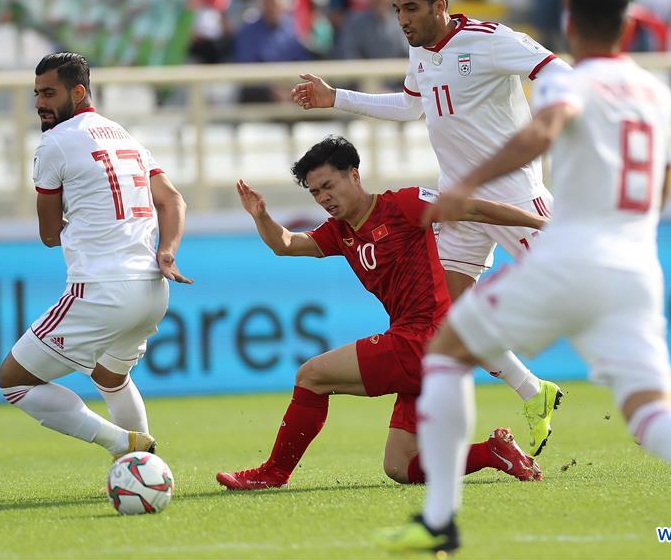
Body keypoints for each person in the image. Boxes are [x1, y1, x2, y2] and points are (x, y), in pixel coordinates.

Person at [376, 0, 671, 557]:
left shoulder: (574, 81)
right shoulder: (655, 94)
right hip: (634, 266)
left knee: (445, 351)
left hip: (571, 255)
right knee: (651, 414)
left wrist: (468, 185)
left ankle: (440, 521)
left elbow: (544, 128)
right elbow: (660, 189)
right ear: (629, 26)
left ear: (570, 24)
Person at [291, 0, 571, 457]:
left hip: (514, 195)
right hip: (457, 204)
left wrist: (554, 127)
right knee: (448, 319)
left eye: (411, 8)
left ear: (439, 6)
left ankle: (645, 394)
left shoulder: (488, 40)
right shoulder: (421, 53)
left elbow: (557, 71)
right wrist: (336, 97)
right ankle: (533, 391)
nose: (402, 19)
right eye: (397, 9)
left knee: (577, 294)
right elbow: (410, 107)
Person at [215, 135, 545, 490]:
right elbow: (286, 244)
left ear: (354, 175)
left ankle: (273, 472)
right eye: (315, 192)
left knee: (311, 375)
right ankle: (493, 452)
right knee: (400, 466)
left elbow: (474, 209)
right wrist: (261, 216)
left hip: (426, 337)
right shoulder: (340, 232)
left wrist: (542, 223)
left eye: (328, 185)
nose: (323, 198)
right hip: (423, 345)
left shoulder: (403, 204)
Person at [0, 53, 193, 460]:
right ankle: (146, 468)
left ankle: (121, 443)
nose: (39, 103)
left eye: (49, 93)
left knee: (14, 381)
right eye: (37, 94)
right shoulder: (125, 136)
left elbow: (48, 234)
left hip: (101, 290)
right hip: (152, 290)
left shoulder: (54, 142)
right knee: (110, 376)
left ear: (78, 92)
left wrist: (76, 225)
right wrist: (167, 252)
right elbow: (172, 199)